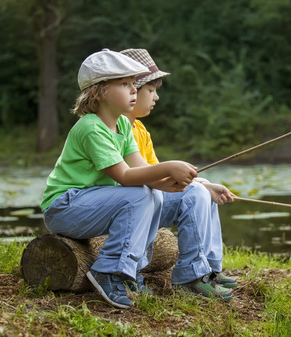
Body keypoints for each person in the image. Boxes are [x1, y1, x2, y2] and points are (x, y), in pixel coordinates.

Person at [40, 49, 198, 309]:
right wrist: (169, 166)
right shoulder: (91, 127)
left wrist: (166, 183)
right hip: (64, 208)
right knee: (138, 195)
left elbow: (139, 169)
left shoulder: (123, 126)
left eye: (133, 83)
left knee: (152, 194)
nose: (134, 89)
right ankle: (108, 270)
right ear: (99, 91)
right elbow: (125, 177)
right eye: (124, 84)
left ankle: (130, 270)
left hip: (90, 205)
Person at [120, 48, 238, 301]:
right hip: (132, 206)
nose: (156, 97)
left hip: (149, 200)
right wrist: (196, 186)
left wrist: (205, 185)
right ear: (130, 90)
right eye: (150, 90)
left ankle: (209, 269)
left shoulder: (139, 129)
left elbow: (157, 176)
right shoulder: (115, 128)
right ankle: (189, 277)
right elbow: (140, 178)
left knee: (202, 187)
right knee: (195, 190)